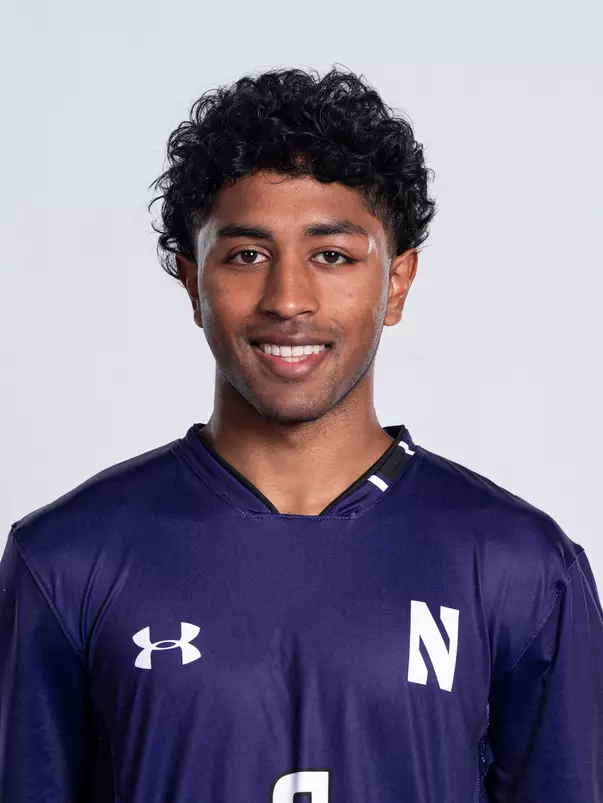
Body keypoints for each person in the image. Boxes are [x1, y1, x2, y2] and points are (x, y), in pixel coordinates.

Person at [0, 67, 601, 803]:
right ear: (193, 283)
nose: (287, 298)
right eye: (246, 255)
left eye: (332, 255)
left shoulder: (520, 567)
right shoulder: (66, 559)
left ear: (398, 281)